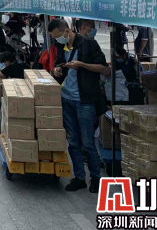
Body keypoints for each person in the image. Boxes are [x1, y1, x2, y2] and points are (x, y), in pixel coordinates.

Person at [48, 18, 110, 193]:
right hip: (66, 98)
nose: (57, 40)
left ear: (67, 31)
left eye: (58, 36)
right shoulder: (62, 45)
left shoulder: (88, 44)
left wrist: (81, 64)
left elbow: (104, 69)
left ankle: (96, 178)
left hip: (84, 101)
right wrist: (58, 70)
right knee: (73, 141)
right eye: (54, 38)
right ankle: (80, 178)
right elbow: (59, 63)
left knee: (88, 142)